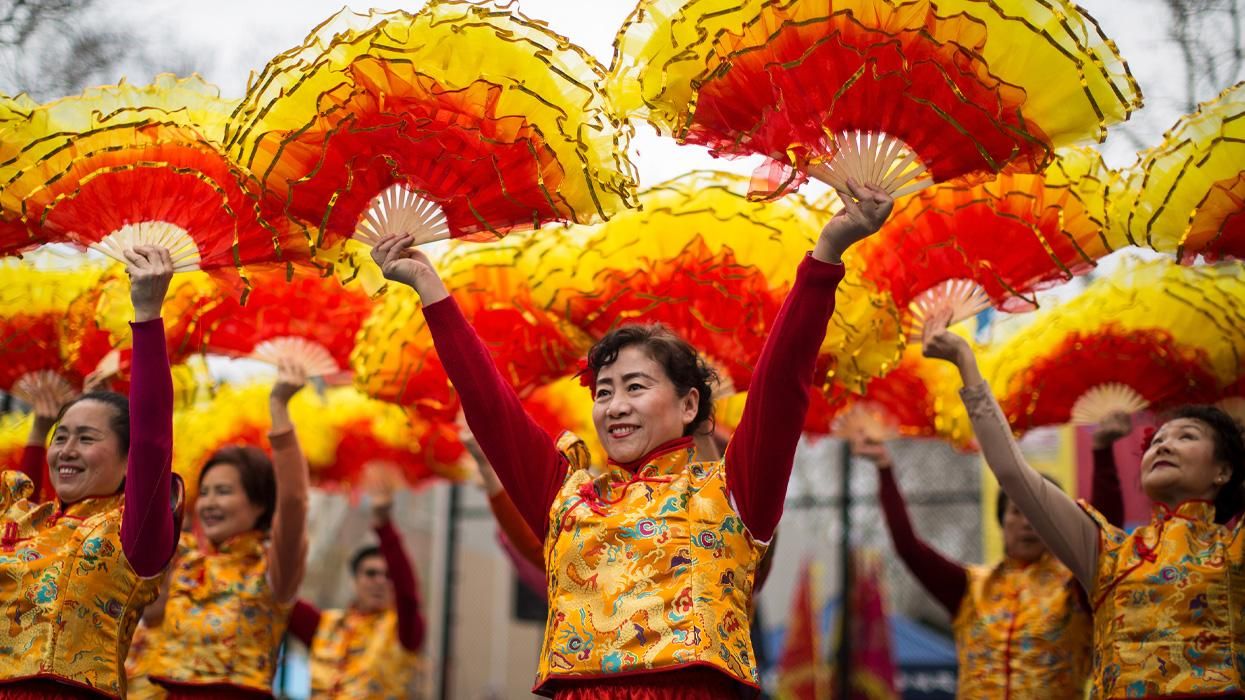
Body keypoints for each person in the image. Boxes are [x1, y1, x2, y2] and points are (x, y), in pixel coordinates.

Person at [370, 179, 894, 698]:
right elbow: (490, 406)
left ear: (690, 404)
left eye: (635, 387)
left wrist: (826, 255)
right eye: (603, 391)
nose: (615, 405)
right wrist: (429, 288)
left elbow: (781, 388)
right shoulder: (567, 496)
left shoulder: (732, 493)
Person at [921, 307, 1245, 698]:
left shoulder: (1234, 547)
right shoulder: (1109, 553)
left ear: (1223, 471)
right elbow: (1012, 473)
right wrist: (965, 363)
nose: (1164, 445)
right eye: (1156, 441)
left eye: (1186, 437)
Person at [0, 246, 180, 699]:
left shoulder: (133, 535)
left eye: (86, 438)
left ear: (127, 460)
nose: (67, 450)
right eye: (63, 437)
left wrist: (146, 313)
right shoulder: (27, 521)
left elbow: (153, 438)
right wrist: (41, 431)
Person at [855, 407, 1130, 698]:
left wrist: (1102, 451)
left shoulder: (1075, 588)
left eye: (1039, 516)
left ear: (1057, 526)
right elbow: (909, 548)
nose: (1028, 523)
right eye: (1017, 512)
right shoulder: (970, 588)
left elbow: (1103, 539)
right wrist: (884, 468)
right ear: (1002, 521)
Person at [135, 359, 311, 699]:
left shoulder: (273, 570)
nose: (210, 503)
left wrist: (279, 407)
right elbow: (151, 616)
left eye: (225, 491)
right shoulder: (181, 557)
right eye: (206, 492)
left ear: (260, 503)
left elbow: (294, 502)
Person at [286, 464, 426, 699]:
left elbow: (408, 596)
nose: (380, 581)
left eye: (388, 576)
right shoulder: (325, 626)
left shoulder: (404, 632)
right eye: (370, 573)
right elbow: (282, 597)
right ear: (354, 581)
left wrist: (384, 525)